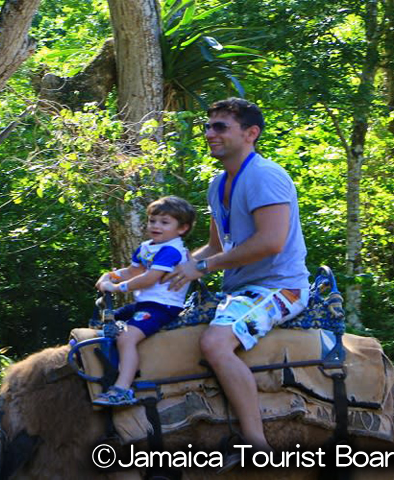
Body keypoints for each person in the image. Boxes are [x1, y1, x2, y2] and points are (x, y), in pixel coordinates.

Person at [165, 98, 310, 455]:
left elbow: (271, 241)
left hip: (280, 287)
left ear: (251, 134)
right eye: (208, 126)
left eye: (220, 127)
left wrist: (201, 268)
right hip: (240, 291)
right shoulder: (218, 183)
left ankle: (256, 445)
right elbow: (216, 245)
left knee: (214, 344)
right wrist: (166, 270)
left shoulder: (265, 176)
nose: (209, 133)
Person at [93, 196, 196, 406]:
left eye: (164, 222)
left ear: (182, 228)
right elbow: (133, 271)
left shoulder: (171, 250)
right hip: (145, 304)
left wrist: (118, 287)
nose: (156, 226)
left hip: (163, 307)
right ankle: (104, 372)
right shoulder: (147, 247)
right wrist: (109, 276)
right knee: (104, 324)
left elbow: (150, 277)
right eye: (152, 221)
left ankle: (123, 389)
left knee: (126, 338)